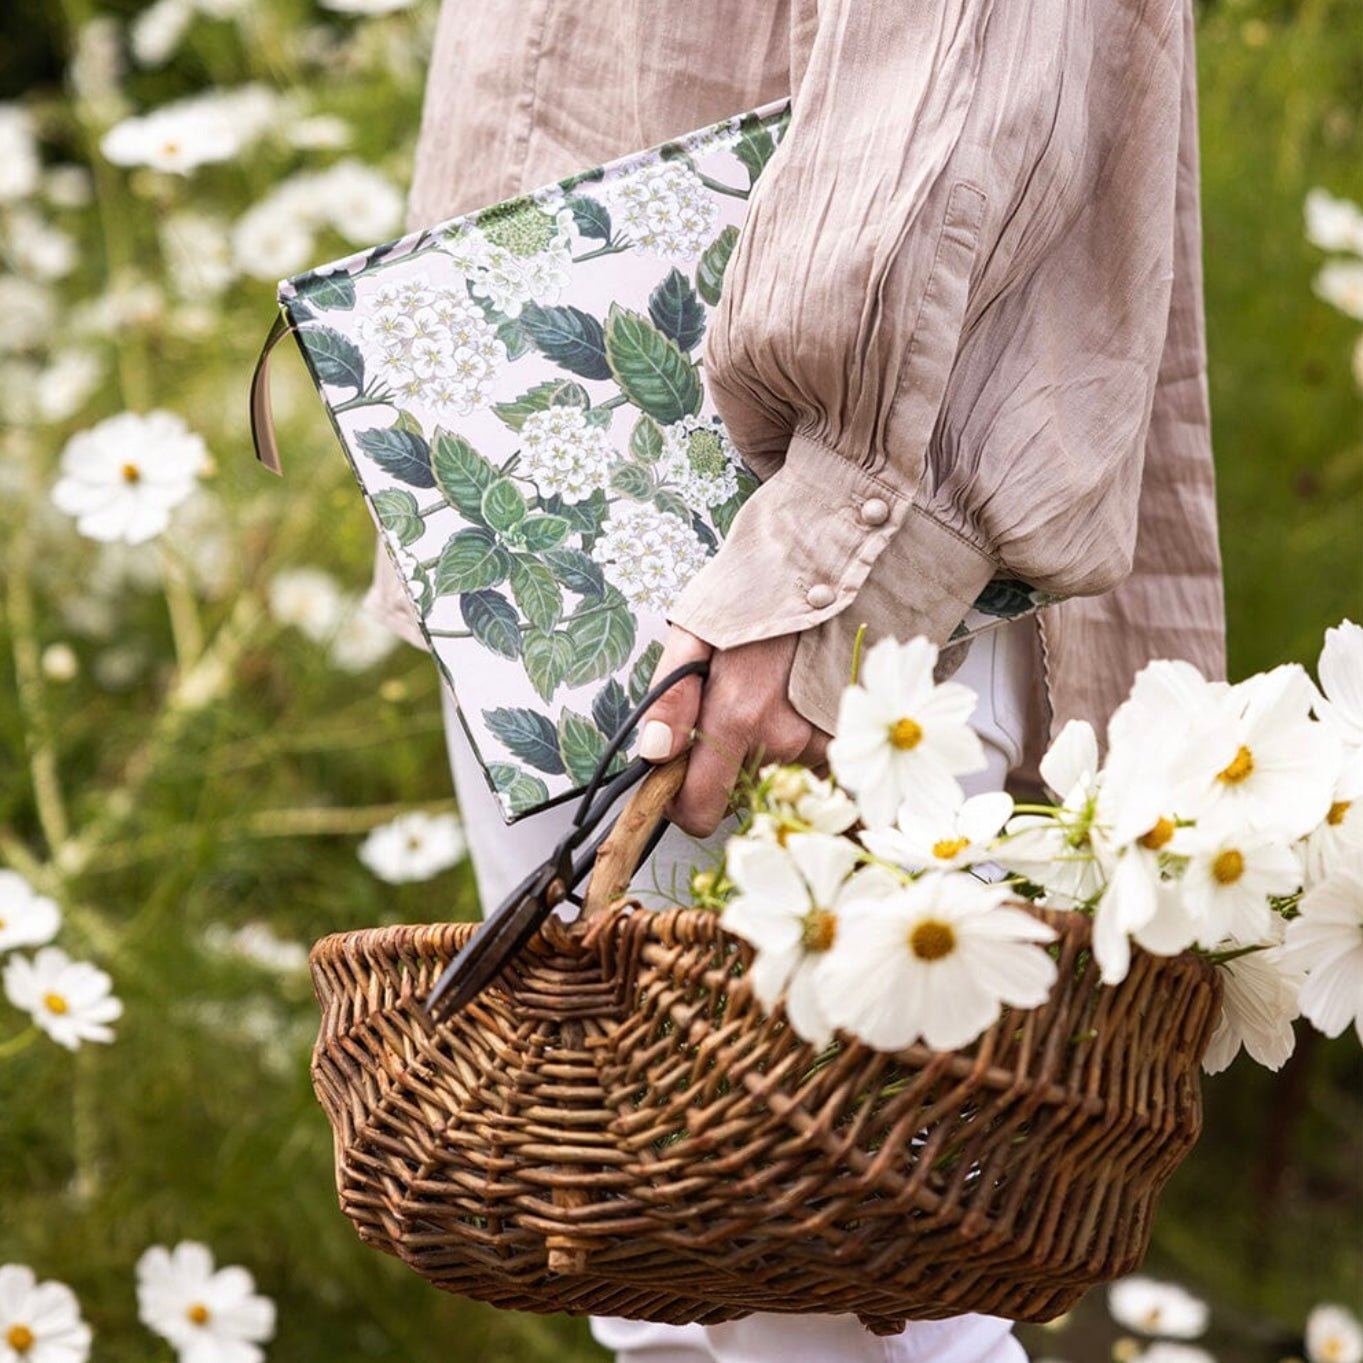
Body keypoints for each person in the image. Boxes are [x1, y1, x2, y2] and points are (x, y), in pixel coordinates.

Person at [362, 0, 1227, 1358]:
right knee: (677, 1296)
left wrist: (826, 558)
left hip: (771, 522)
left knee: (838, 1296)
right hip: (543, 475)